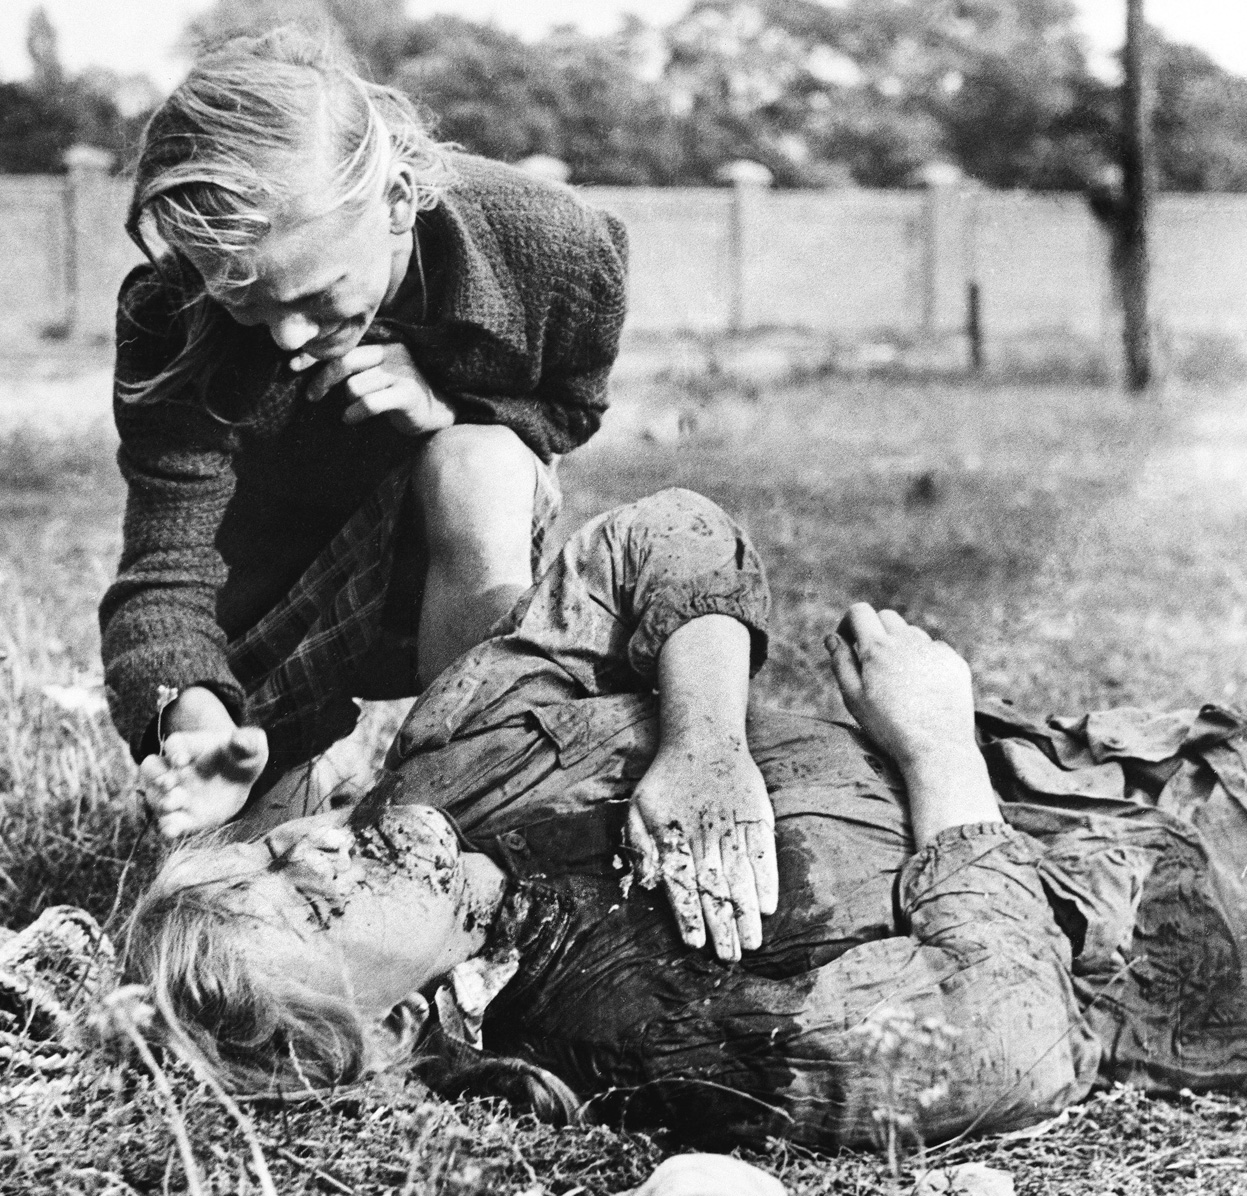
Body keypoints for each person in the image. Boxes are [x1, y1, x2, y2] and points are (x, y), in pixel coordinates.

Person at [126, 489, 1247, 1156]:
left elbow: (658, 535)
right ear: (396, 1029)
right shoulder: (649, 1037)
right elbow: (1008, 1044)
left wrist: (701, 737)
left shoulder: (447, 765)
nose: (328, 842)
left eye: (279, 847)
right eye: (320, 899)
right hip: (1198, 906)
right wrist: (935, 747)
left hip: (1143, 752)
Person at [99, 28, 628, 840]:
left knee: (474, 461)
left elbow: (569, 408)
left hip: (445, 557)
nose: (286, 338)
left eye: (317, 295)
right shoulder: (165, 318)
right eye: (247, 303)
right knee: (244, 886)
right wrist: (196, 720)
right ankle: (286, 770)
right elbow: (165, 575)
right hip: (269, 602)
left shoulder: (552, 246)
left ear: (396, 198)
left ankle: (465, 787)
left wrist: (452, 411)